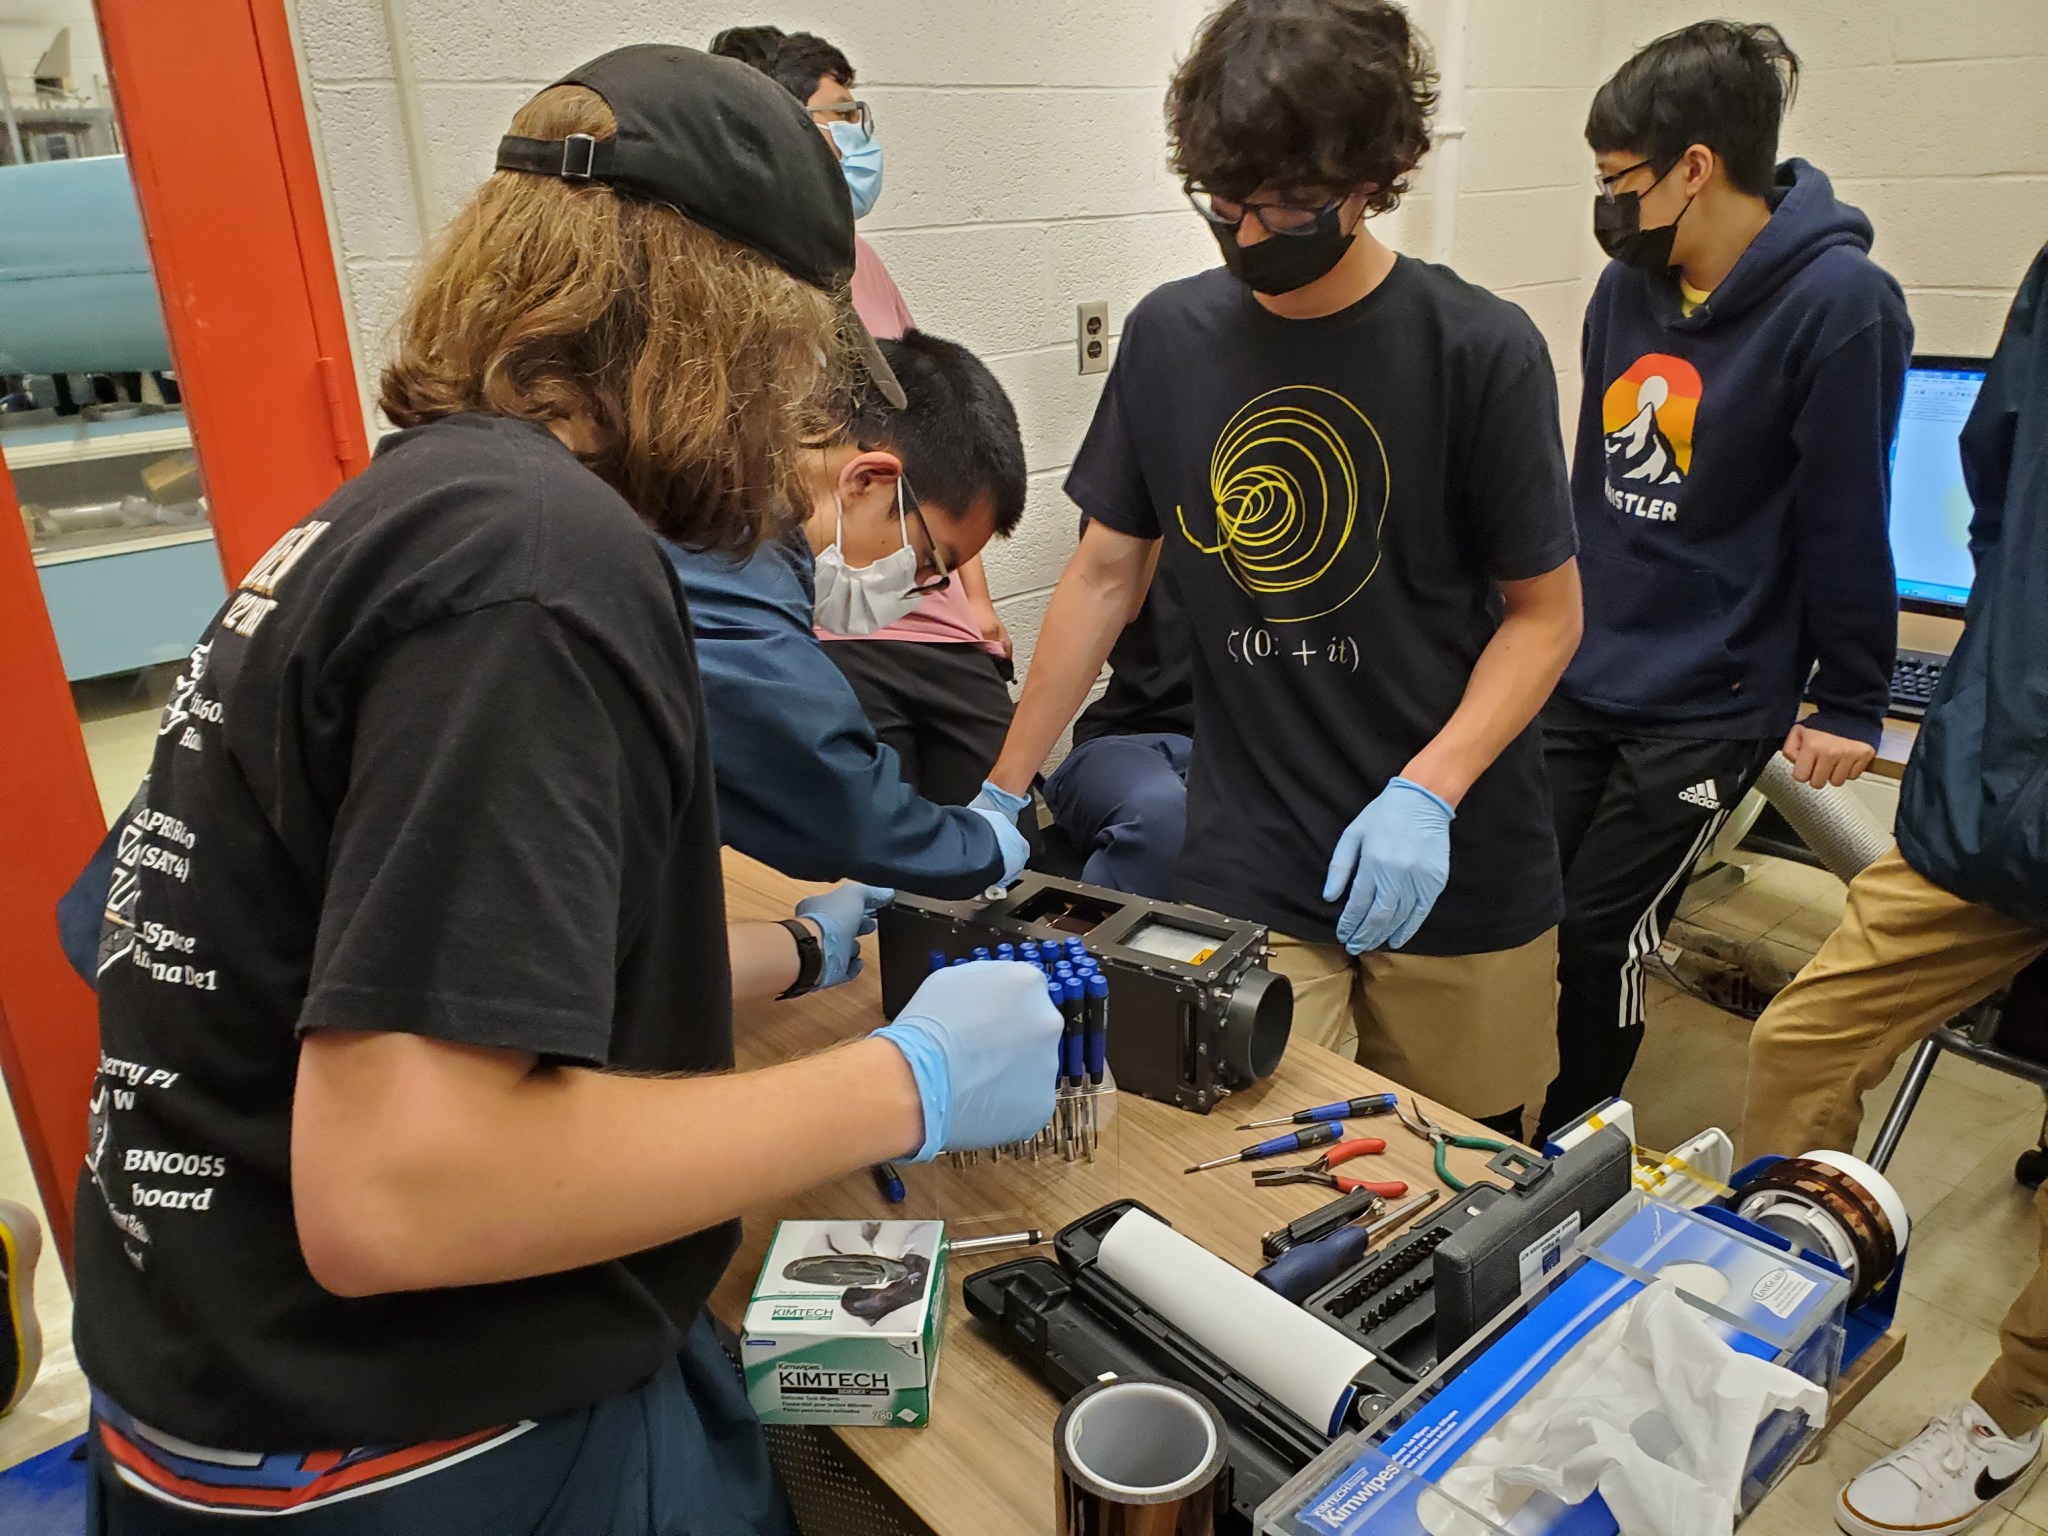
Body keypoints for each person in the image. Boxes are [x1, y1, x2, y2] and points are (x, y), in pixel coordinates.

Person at [73, 47, 1059, 1533]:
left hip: (208, 1391)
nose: (805, 470)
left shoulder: (408, 510)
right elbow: (400, 1189)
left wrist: (785, 953)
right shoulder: (535, 571)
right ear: (738, 333)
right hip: (407, 1453)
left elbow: (381, 963)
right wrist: (896, 1085)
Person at [985, 0, 1584, 1131]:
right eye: (1225, 203)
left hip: (1458, 856)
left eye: (1292, 205)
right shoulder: (1171, 339)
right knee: (1246, 1163)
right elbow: (1105, 575)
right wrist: (998, 788)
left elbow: (1544, 617)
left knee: (1460, 1178)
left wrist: (1428, 789)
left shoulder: (1478, 350)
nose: (1251, 235)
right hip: (1252, 851)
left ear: (1378, 176)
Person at [1537, 21, 1910, 1138]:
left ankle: (1573, 1141)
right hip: (1586, 662)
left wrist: (1850, 694)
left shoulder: (1843, 306)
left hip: (1711, 694)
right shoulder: (1625, 293)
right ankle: (1507, 1113)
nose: (1606, 205)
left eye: (1619, 181)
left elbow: (1847, 517)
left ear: (1694, 168)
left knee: (1603, 933)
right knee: (1526, 910)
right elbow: (1590, 484)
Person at [1740, 244, 2048, 1536]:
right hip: (2003, 780)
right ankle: (1776, 1300)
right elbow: (1996, 477)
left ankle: (2012, 1414)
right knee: (1804, 1035)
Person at [745, 26, 1021, 803]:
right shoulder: (725, 300)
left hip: (927, 616)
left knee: (1010, 839)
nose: (855, 139)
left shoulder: (859, 264)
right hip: (827, 626)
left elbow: (936, 447)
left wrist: (978, 603)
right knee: (881, 843)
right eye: (836, 118)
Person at [665, 327, 1033, 894]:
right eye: (932, 561)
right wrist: (980, 846)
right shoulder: (735, 576)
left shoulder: (718, 511)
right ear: (868, 480)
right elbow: (834, 796)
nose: (927, 589)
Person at [1040, 518, 1194, 898]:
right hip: (1131, 739)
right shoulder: (1141, 503)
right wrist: (1006, 787)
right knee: (1160, 816)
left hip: (1250, 756)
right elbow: (1090, 616)